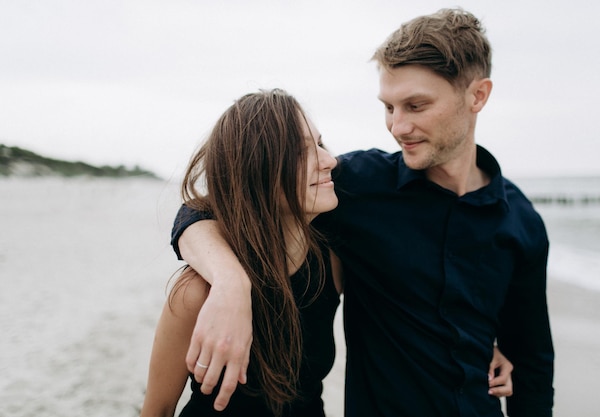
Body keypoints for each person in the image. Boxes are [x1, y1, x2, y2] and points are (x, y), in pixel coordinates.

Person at [172, 8, 546, 417]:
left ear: (478, 96)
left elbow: (531, 364)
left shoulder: (521, 223)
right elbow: (213, 209)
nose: (397, 126)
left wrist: (485, 346)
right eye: (389, 107)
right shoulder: (355, 187)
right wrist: (230, 282)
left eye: (415, 106)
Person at [140, 89, 344, 417]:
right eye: (301, 151)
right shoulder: (196, 291)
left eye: (320, 144)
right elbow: (158, 409)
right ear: (256, 171)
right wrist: (231, 283)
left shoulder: (331, 263)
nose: (329, 160)